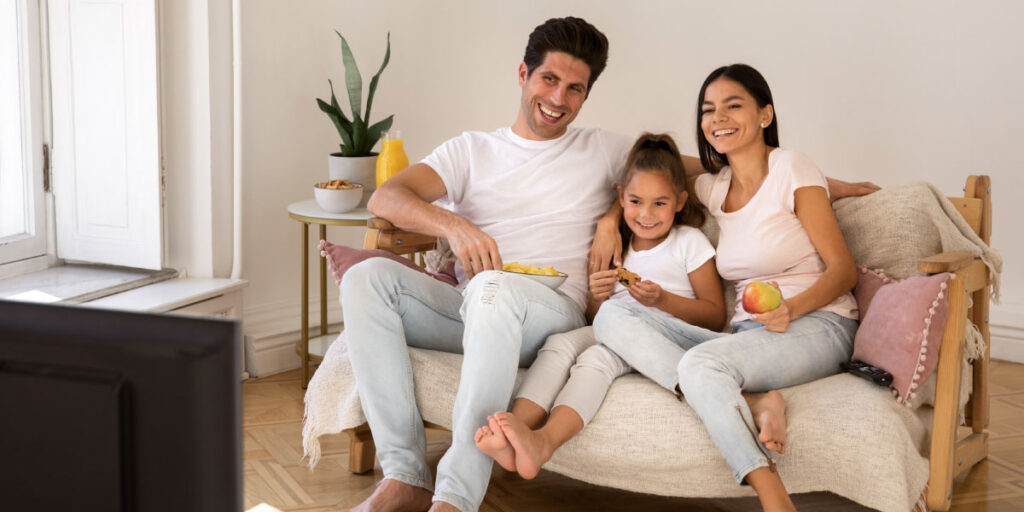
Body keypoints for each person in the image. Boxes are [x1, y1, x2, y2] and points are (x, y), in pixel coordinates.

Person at [341, 17, 633, 512]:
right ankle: (406, 476)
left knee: (493, 287)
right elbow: (387, 197)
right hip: (471, 309)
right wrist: (453, 226)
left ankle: (455, 497)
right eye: (549, 79)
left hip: (552, 314)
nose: (559, 99)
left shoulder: (603, 149)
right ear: (523, 74)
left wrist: (613, 214)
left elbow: (683, 172)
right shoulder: (471, 150)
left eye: (575, 88)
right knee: (366, 277)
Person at [596, 64, 862, 512]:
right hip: (746, 339)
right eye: (708, 110)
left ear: (764, 115)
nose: (717, 117)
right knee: (611, 315)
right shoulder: (715, 189)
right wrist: (608, 220)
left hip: (818, 324)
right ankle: (754, 399)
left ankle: (772, 496)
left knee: (701, 366)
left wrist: (791, 309)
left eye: (732, 106)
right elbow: (657, 165)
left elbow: (843, 271)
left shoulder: (793, 168)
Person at [474, 132, 726, 480]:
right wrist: (597, 295)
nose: (646, 214)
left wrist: (663, 300)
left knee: (596, 358)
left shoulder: (689, 243)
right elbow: (597, 319)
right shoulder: (615, 249)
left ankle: (544, 442)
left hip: (661, 340)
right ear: (621, 198)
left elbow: (715, 316)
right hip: (611, 329)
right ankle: (514, 430)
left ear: (680, 202)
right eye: (636, 201)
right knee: (560, 343)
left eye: (660, 203)